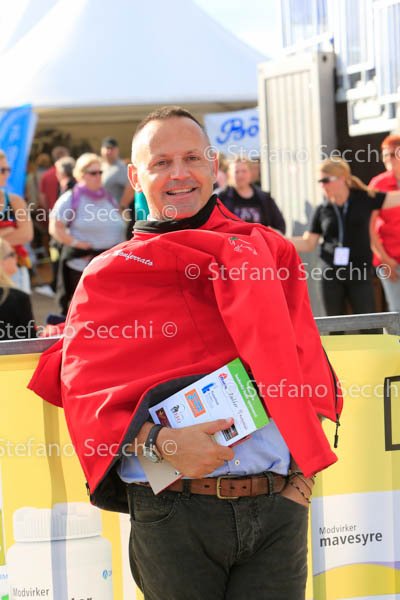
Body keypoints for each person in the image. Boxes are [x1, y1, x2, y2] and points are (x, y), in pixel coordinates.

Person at [29, 107, 343, 600]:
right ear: (135, 176)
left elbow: (306, 364)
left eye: (192, 158)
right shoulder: (109, 275)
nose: (179, 173)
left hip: (276, 509)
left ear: (213, 166)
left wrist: (298, 488)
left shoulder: (268, 251)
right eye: (161, 162)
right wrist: (163, 443)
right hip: (172, 514)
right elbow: (87, 396)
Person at [291, 157, 400, 317]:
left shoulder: (364, 198)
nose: (322, 185)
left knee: (368, 322)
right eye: (319, 181)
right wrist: (277, 239)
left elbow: (395, 198)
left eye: (326, 180)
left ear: (342, 178)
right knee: (335, 323)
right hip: (331, 274)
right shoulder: (322, 209)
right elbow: (308, 243)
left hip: (359, 272)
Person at [49, 152, 126, 314]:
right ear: (81, 174)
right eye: (93, 173)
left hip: (111, 267)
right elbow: (55, 227)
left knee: (110, 312)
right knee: (87, 312)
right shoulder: (71, 198)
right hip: (82, 267)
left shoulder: (108, 197)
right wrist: (76, 243)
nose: (98, 176)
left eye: (100, 172)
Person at [369, 135, 400, 311]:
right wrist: (385, 259)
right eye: (385, 155)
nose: (388, 159)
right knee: (397, 313)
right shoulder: (378, 184)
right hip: (390, 259)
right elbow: (369, 226)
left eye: (393, 154)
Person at [219, 158, 286, 233]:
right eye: (236, 172)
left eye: (244, 171)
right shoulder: (221, 198)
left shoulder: (264, 198)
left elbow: (280, 226)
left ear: (250, 173)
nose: (240, 175)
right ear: (229, 174)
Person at [0, 149, 34, 294]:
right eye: (2, 170)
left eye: (8, 170)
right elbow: (19, 235)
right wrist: (7, 232)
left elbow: (26, 235)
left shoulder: (15, 201)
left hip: (13, 271)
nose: (7, 174)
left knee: (17, 307)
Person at [0, 239, 36, 340]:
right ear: (1, 261)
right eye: (12, 254)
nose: (17, 257)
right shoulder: (18, 298)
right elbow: (31, 340)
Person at [100, 136, 134, 209]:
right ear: (102, 150)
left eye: (112, 149)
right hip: (100, 210)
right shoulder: (101, 165)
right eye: (107, 148)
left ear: (117, 150)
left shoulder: (120, 167)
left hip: (113, 211)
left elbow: (131, 187)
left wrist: (122, 206)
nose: (109, 151)